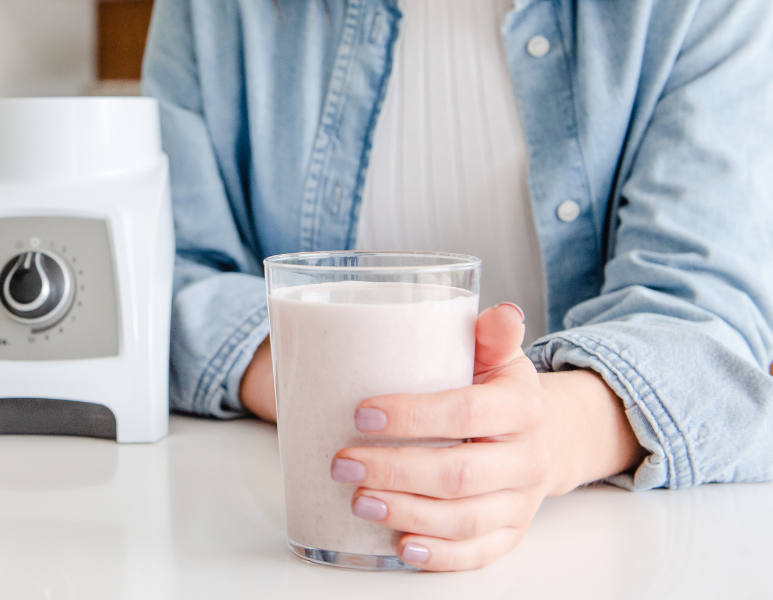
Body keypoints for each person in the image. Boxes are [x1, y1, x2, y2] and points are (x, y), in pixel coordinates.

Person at [141, 0, 773, 572]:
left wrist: (547, 432)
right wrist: (330, 394)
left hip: (604, 554)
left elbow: (711, 320)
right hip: (290, 537)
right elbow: (160, 272)